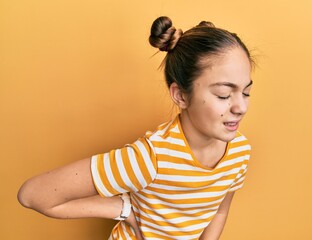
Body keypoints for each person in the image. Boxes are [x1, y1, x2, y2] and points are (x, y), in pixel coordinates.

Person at [18, 16, 254, 240]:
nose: (241, 107)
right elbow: (33, 195)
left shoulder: (239, 152)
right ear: (181, 95)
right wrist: (119, 208)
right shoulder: (149, 159)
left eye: (245, 92)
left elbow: (219, 210)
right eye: (224, 94)